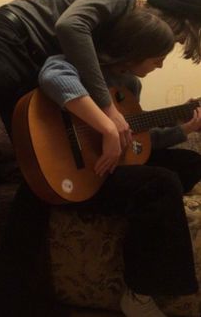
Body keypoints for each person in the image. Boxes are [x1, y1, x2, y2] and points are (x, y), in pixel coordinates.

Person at [0, 0, 199, 317]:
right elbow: (68, 32)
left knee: (40, 173)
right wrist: (107, 118)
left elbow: (134, 135)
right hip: (7, 41)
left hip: (47, 78)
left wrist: (182, 128)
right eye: (165, 48)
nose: (164, 59)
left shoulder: (125, 79)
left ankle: (16, 301)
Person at [38, 43, 201, 316]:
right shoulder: (88, 68)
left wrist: (186, 128)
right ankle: (139, 294)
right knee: (162, 183)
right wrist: (106, 128)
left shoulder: (129, 85)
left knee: (190, 162)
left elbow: (139, 138)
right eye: (157, 58)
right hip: (81, 170)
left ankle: (151, 212)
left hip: (114, 164)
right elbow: (52, 73)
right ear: (134, 51)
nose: (160, 66)